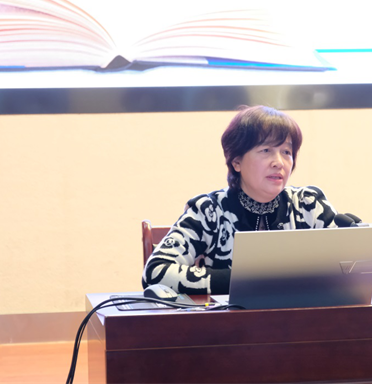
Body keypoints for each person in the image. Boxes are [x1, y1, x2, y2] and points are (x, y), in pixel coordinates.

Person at [142, 105, 339, 294]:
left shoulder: (308, 204)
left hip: (300, 316)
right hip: (231, 317)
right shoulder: (209, 211)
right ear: (236, 161)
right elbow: (155, 272)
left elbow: (348, 267)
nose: (279, 162)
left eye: (286, 152)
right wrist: (243, 281)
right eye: (266, 150)